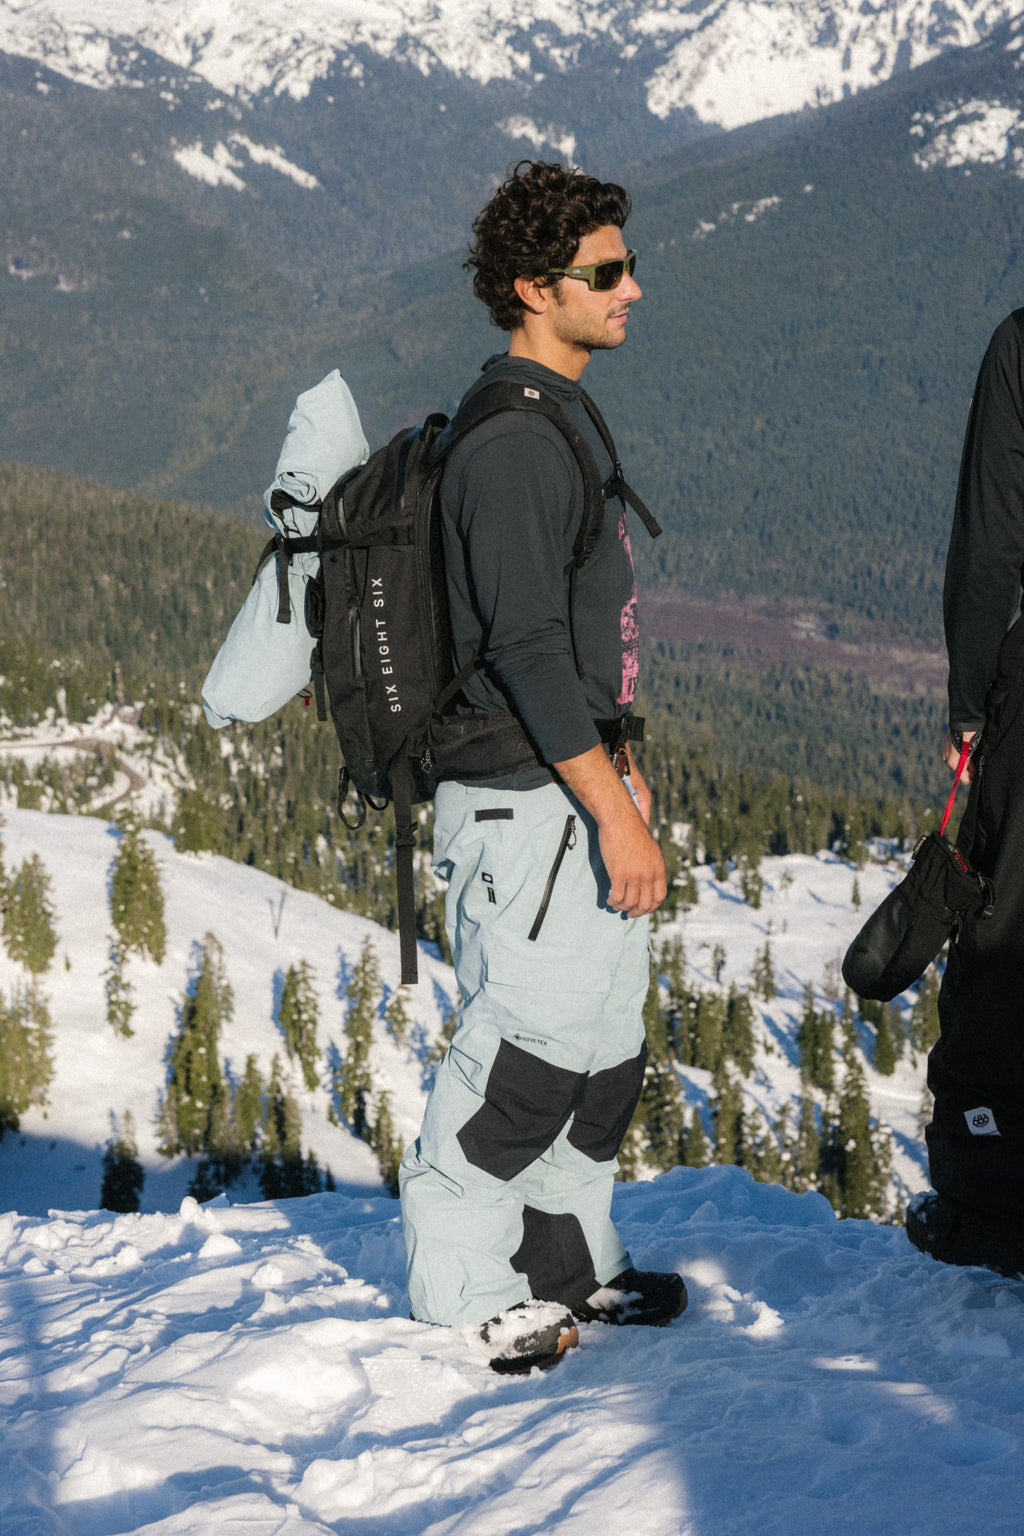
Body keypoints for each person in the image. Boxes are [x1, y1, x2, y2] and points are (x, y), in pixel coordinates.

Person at [399, 161, 686, 1370]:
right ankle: (462, 1287)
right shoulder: (511, 444)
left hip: (571, 784)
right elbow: (519, 645)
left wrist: (623, 770)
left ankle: (566, 1263)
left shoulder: (560, 412)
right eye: (605, 272)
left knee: (600, 1049)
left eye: (626, 263)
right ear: (532, 287)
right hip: (522, 803)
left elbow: (576, 633)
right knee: (522, 1052)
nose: (631, 288)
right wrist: (609, 812)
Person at [907, 310, 1024, 1278]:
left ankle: (990, 1203)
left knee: (1003, 939)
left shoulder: (1022, 343)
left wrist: (968, 710)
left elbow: (987, 548)